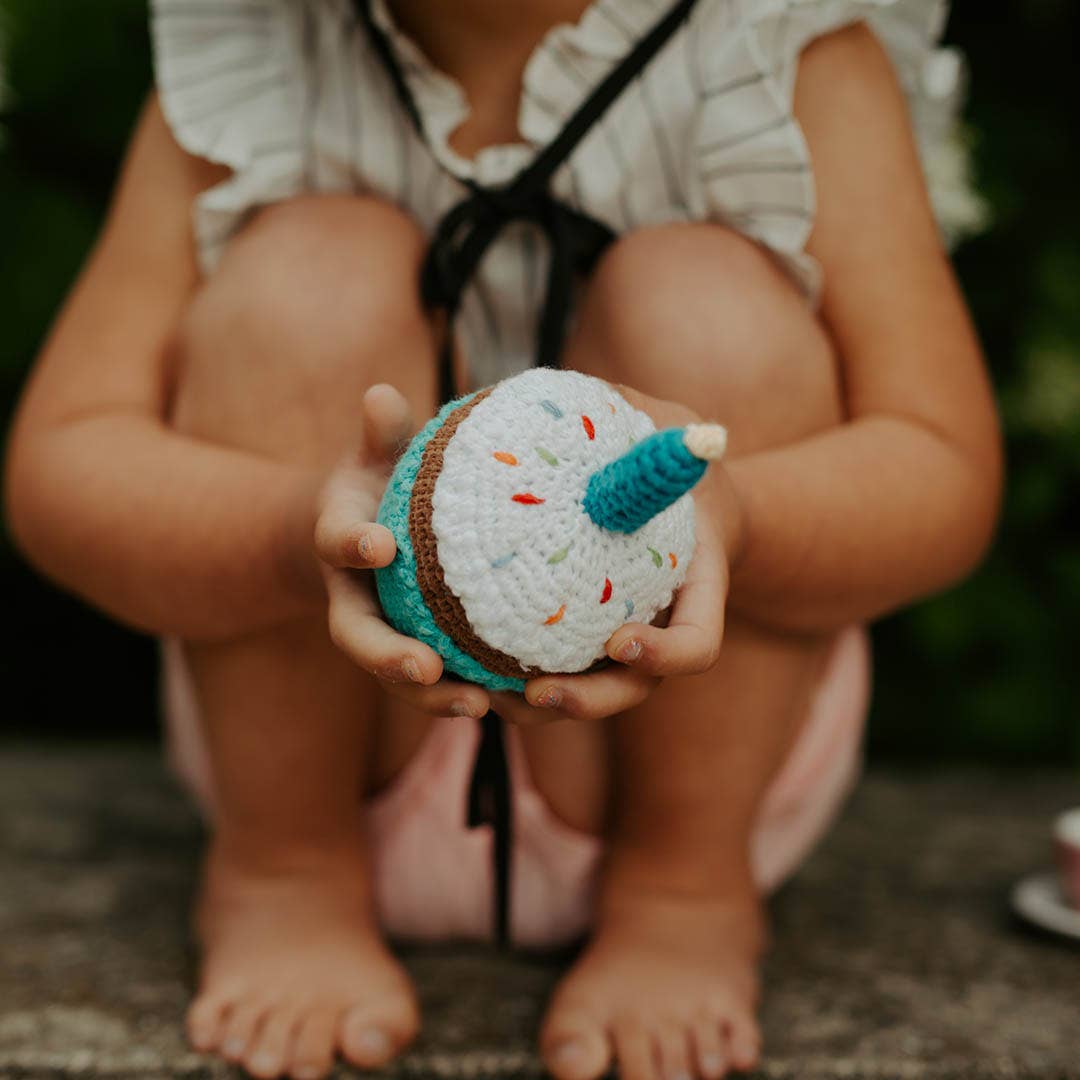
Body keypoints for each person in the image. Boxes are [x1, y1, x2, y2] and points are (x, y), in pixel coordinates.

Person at [3, 1, 1001, 1078]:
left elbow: (942, 471)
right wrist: (296, 531)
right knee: (311, 265)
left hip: (673, 755)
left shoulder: (789, 48)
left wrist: (739, 514)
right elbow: (63, 465)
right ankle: (286, 874)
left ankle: (680, 890)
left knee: (710, 299)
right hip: (320, 745)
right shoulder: (257, 43)